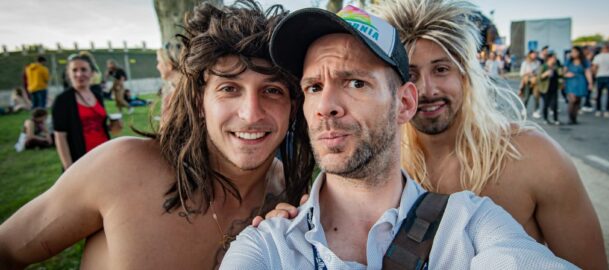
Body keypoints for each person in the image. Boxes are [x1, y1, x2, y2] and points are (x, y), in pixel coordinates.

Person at [221, 5, 576, 269]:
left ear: (405, 102)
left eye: (356, 82)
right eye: (313, 87)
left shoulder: (471, 224)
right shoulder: (268, 246)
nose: (325, 106)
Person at [0, 1, 314, 269]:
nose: (251, 113)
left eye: (272, 91)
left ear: (292, 106)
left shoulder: (291, 200)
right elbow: (8, 249)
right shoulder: (122, 168)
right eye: (229, 89)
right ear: (199, 103)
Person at [51, 54, 113, 170]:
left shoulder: (97, 95)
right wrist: (68, 168)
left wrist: (113, 125)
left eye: (84, 69)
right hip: (82, 159)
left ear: (91, 72)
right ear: (69, 74)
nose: (79, 74)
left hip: (104, 154)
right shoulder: (63, 100)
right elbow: (60, 137)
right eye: (74, 70)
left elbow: (99, 125)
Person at [564, 46, 593, 124]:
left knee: (578, 100)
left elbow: (588, 72)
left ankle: (574, 118)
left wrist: (590, 83)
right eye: (572, 52)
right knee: (572, 100)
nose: (573, 53)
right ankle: (570, 118)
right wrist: (566, 75)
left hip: (580, 81)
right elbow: (564, 71)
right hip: (571, 81)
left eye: (575, 52)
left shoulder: (584, 61)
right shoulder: (569, 61)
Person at [592, 43, 609, 118]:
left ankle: (598, 110)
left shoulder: (598, 56)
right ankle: (607, 110)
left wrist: (595, 75)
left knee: (599, 94)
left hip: (600, 75)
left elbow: (594, 67)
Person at [156, 43, 181, 118]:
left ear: (169, 65)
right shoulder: (174, 89)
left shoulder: (175, 96)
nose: (157, 66)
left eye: (159, 62)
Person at [538, 53, 563, 125]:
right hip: (545, 88)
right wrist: (545, 74)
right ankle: (545, 119)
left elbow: (560, 76)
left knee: (555, 104)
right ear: (549, 59)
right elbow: (539, 77)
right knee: (546, 104)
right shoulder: (544, 67)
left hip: (554, 88)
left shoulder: (556, 67)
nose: (555, 59)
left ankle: (556, 119)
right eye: (553, 58)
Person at [519, 50, 541, 117]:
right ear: (530, 55)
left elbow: (539, 72)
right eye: (533, 54)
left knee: (536, 97)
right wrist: (528, 73)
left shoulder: (538, 63)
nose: (534, 55)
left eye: (535, 54)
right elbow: (521, 73)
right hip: (527, 82)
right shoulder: (525, 63)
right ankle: (524, 109)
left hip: (535, 82)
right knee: (526, 97)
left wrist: (535, 74)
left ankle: (536, 111)